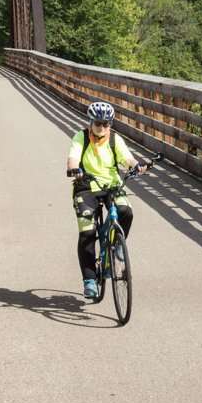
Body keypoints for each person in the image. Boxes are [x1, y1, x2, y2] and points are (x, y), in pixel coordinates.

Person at [66, 100, 146, 299]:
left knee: (126, 211)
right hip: (87, 187)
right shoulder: (81, 137)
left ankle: (116, 244)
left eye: (106, 124)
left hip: (112, 185)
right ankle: (89, 279)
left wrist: (136, 165)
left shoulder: (115, 140)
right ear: (91, 122)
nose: (102, 127)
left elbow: (127, 158)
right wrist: (74, 169)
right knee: (87, 232)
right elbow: (73, 158)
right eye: (98, 123)